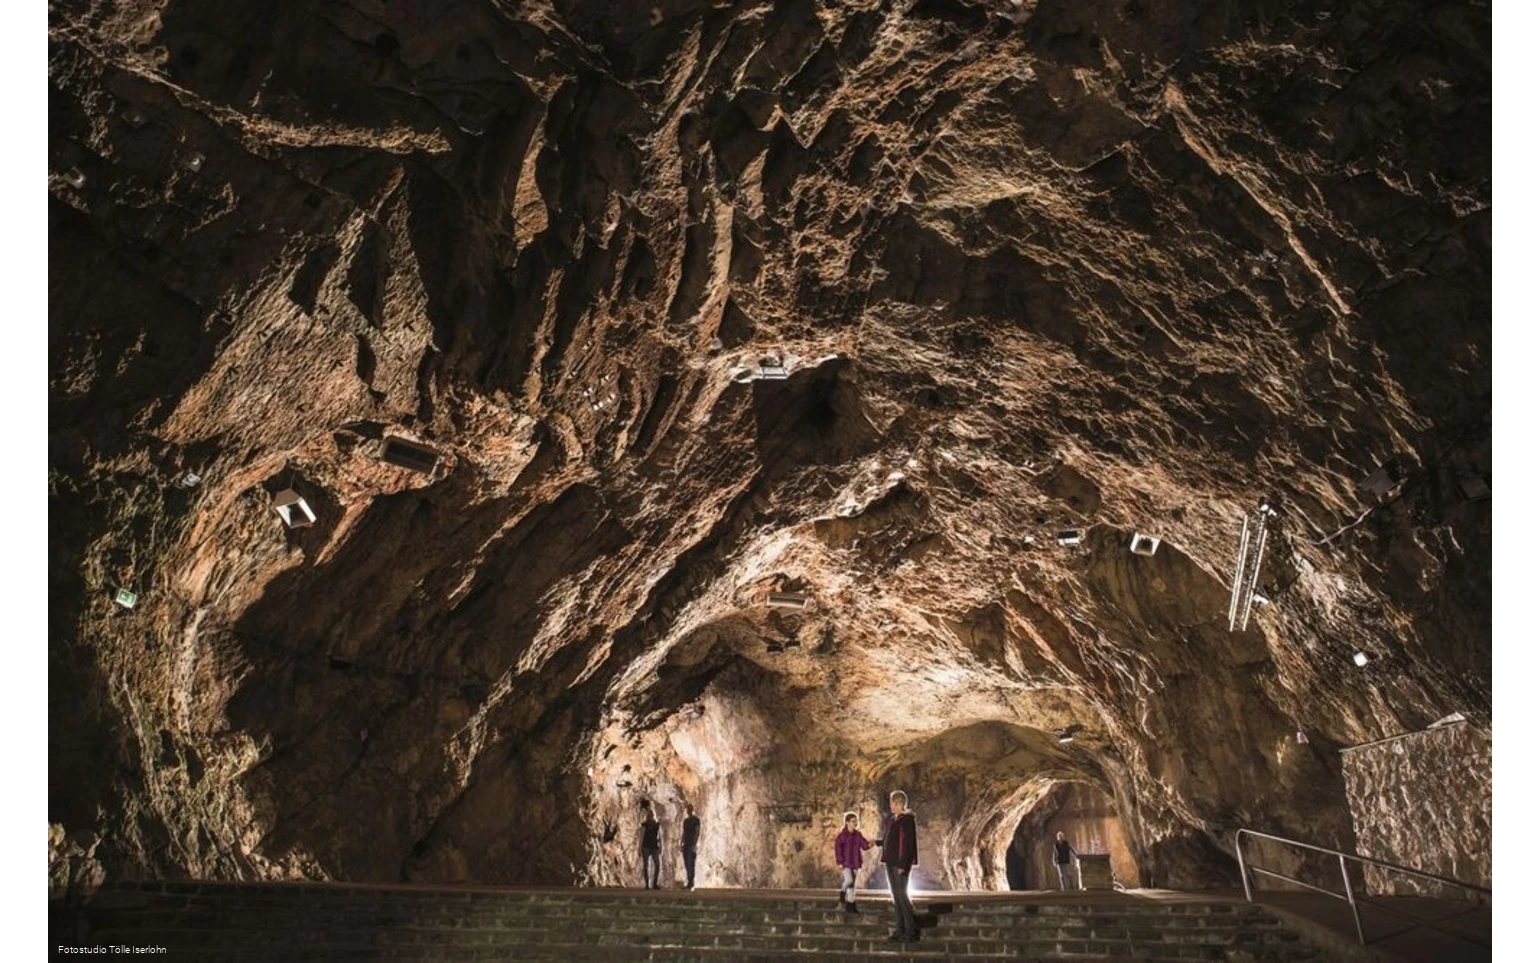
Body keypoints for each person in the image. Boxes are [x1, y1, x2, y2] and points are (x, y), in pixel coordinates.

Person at [880, 791, 919, 944]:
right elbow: (889, 839)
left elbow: (908, 844)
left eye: (892, 803)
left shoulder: (907, 820)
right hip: (890, 862)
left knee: (902, 895)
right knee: (896, 897)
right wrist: (876, 843)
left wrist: (903, 864)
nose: (890, 806)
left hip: (900, 863)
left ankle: (911, 931)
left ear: (899, 803)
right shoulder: (892, 820)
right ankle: (899, 930)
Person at [834, 811, 874, 913]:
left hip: (855, 862)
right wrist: (839, 861)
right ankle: (842, 894)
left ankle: (850, 904)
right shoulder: (842, 836)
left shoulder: (858, 835)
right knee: (849, 880)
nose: (855, 823)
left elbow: (864, 845)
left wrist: (870, 844)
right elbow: (838, 849)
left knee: (852, 885)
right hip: (846, 862)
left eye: (856, 821)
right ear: (847, 822)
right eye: (852, 821)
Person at [640, 803, 661, 889]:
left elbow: (659, 836)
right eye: (648, 815)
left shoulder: (657, 825)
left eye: (651, 815)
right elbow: (641, 836)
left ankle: (654, 883)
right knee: (646, 865)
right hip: (646, 846)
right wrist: (639, 848)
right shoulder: (644, 825)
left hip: (654, 846)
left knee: (657, 864)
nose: (650, 817)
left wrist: (661, 847)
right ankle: (647, 884)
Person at [680, 804, 700, 890]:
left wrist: (695, 844)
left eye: (690, 809)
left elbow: (697, 832)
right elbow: (684, 832)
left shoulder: (696, 820)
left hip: (692, 844)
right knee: (687, 864)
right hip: (686, 844)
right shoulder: (685, 821)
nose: (689, 811)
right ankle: (689, 882)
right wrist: (681, 842)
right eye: (688, 809)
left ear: (692, 809)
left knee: (691, 863)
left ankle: (691, 883)